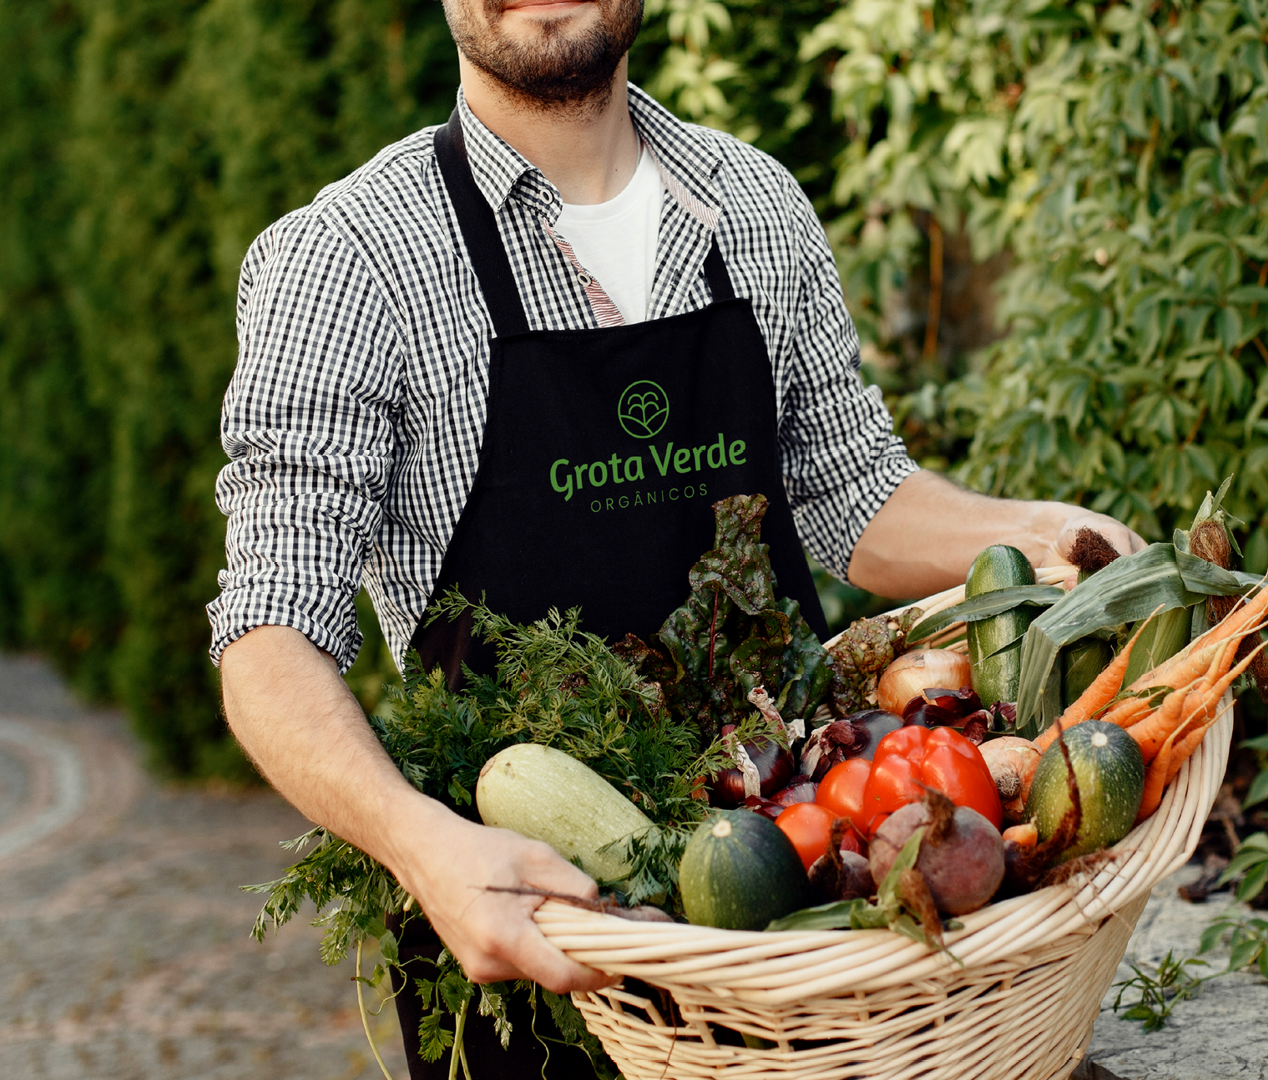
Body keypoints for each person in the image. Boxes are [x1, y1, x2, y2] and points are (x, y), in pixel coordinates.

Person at [209, 0, 1144, 1073]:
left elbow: (853, 492)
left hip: (794, 906)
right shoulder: (344, 260)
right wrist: (425, 849)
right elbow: (271, 629)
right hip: (536, 934)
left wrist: (1045, 533)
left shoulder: (754, 203)